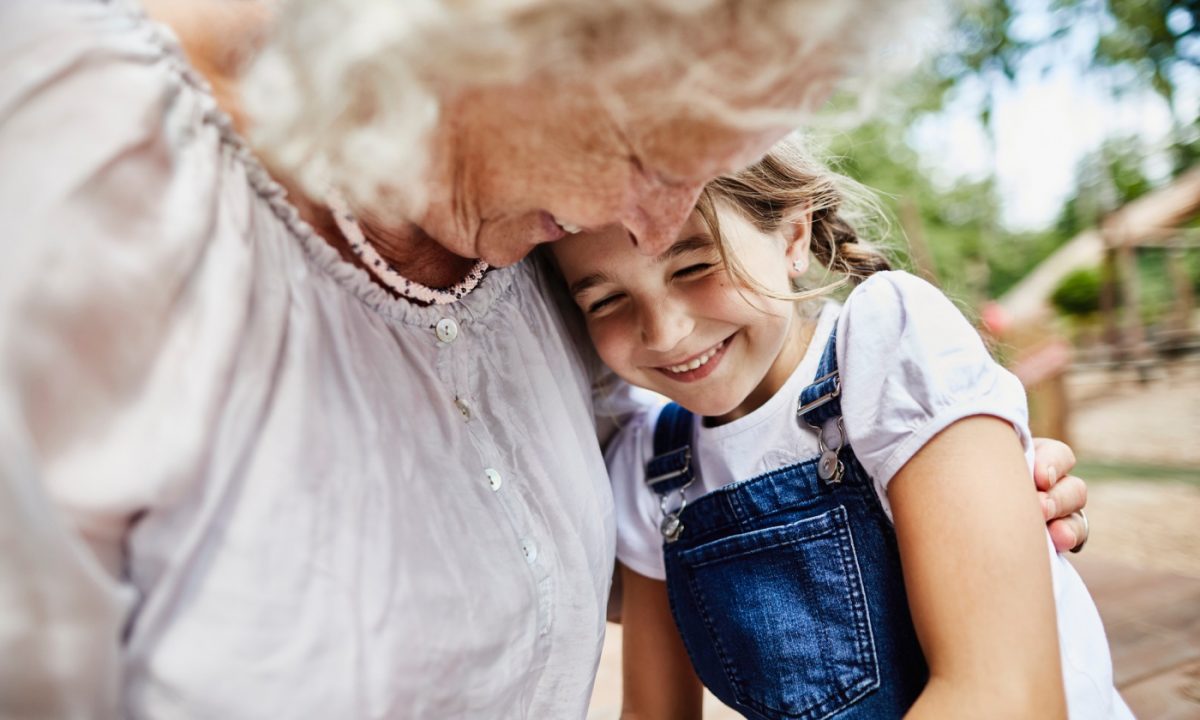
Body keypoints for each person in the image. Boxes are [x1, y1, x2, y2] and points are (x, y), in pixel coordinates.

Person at [0, 0, 1091, 717]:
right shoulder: (75, 158)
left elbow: (591, 537)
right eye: (641, 148)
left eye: (707, 169)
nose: (651, 223)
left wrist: (952, 506)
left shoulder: (529, 229)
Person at [549, 140, 1130, 719]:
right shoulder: (652, 468)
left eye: (696, 265)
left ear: (793, 236)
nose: (665, 332)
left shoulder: (888, 343)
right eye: (606, 301)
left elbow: (1003, 699)